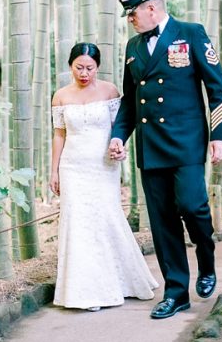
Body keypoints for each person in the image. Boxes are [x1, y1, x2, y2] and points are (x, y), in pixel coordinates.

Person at [108, 0, 222, 320]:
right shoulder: (133, 47)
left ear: (151, 8)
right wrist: (119, 135)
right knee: (163, 224)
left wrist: (220, 136)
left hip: (187, 142)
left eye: (133, 13)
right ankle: (176, 292)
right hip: (151, 147)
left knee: (193, 207)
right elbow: (130, 102)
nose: (130, 20)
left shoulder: (190, 33)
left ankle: (206, 261)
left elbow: (218, 88)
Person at [50, 42, 158, 312]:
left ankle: (120, 283)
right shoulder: (61, 96)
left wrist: (119, 148)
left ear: (98, 67)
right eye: (79, 67)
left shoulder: (110, 91)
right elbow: (59, 134)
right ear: (70, 65)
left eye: (90, 68)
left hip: (103, 164)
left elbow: (120, 126)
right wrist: (53, 171)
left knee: (105, 217)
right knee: (77, 222)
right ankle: (84, 291)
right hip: (72, 166)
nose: (84, 73)